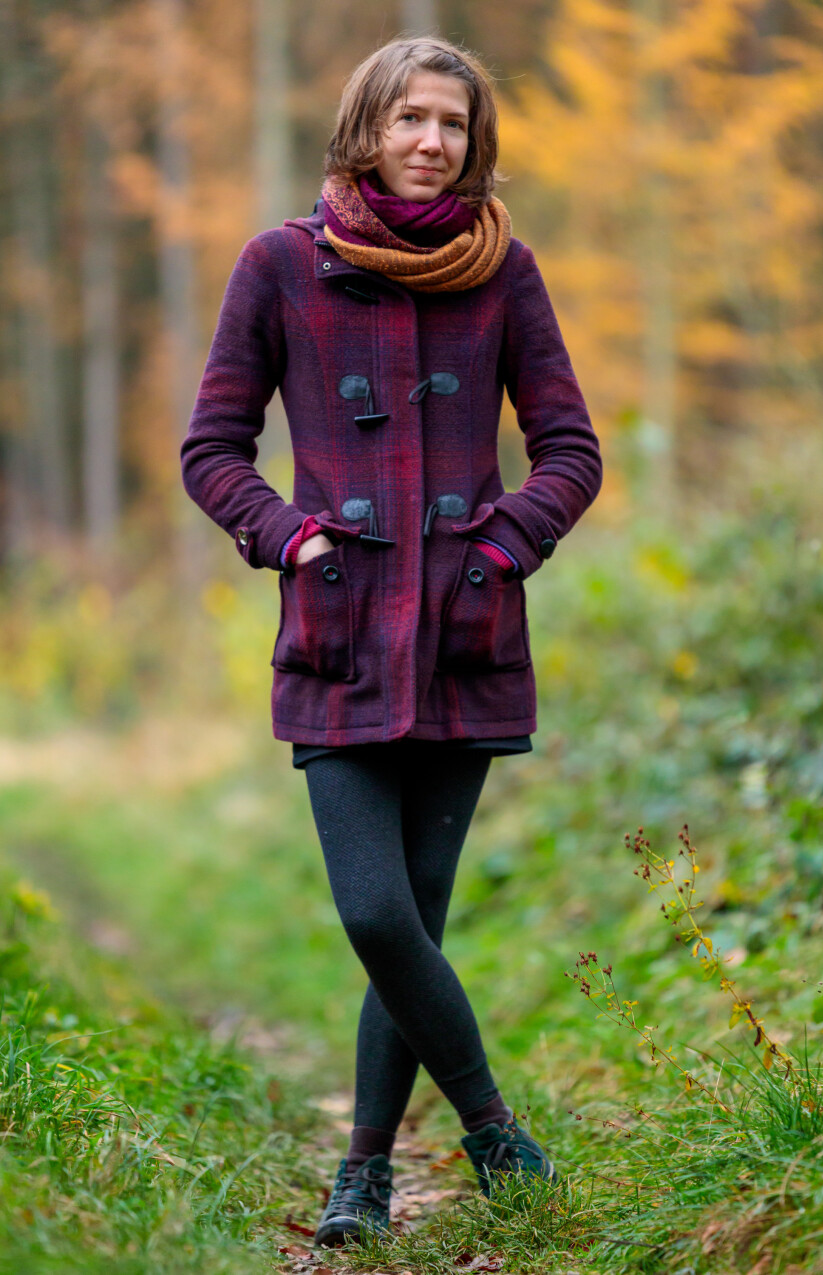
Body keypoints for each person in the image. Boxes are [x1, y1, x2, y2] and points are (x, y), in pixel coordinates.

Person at [180, 34, 602, 1250]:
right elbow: (212, 449)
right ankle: (491, 1131)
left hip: (468, 638)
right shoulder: (277, 268)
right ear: (364, 126)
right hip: (340, 636)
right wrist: (290, 538)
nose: (431, 142)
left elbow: (570, 450)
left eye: (454, 125)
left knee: (415, 914)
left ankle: (361, 1173)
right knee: (375, 912)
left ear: (474, 145)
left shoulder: (503, 273)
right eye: (411, 118)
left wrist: (501, 548)